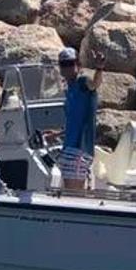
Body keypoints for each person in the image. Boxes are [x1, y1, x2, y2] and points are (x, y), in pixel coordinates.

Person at [56, 47, 103, 190]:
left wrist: (99, 68)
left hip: (79, 148)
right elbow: (74, 121)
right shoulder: (69, 89)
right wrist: (56, 134)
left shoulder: (83, 82)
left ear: (78, 65)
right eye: (63, 64)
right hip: (69, 147)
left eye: (71, 63)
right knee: (67, 191)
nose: (67, 68)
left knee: (73, 194)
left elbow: (94, 84)